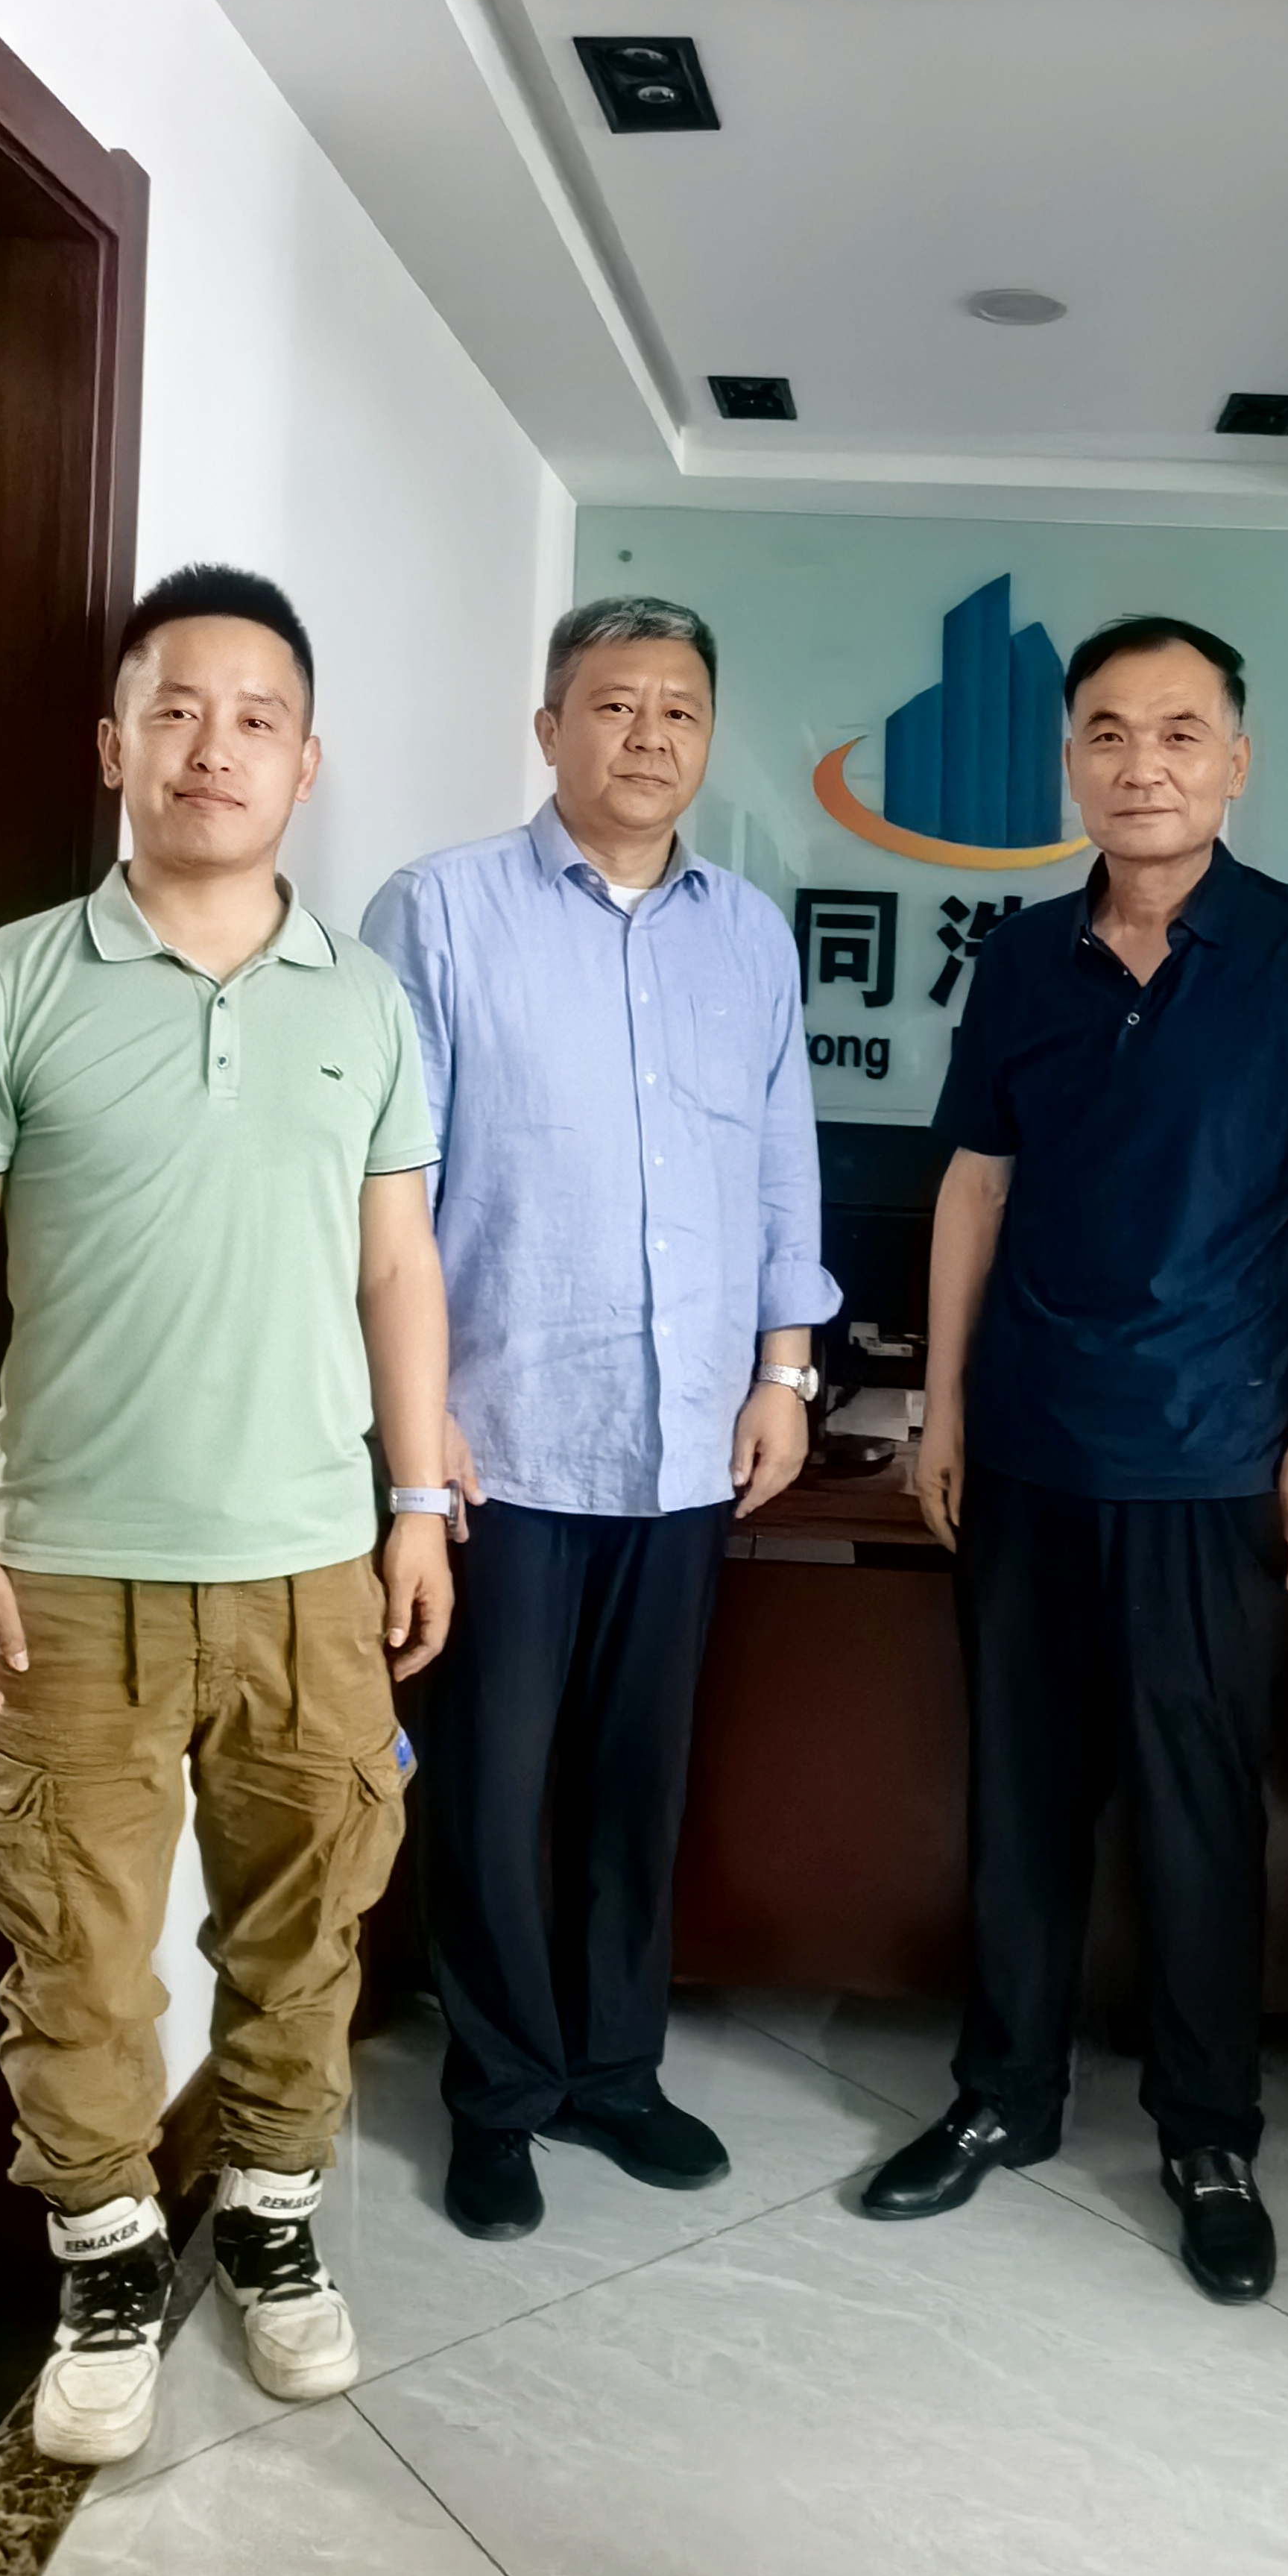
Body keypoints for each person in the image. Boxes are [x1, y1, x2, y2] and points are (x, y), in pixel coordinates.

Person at [0, 565, 453, 2467]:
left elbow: (399, 1268)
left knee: (309, 1926)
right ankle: (107, 2264)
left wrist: (417, 1502)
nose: (217, 746)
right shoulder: (7, 986)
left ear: (307, 760)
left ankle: (275, 2221)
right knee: (72, 1946)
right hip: (65, 1569)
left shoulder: (368, 1003)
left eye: (256, 716)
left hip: (310, 1568)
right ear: (113, 743)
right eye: (178, 709)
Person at [860, 615, 1288, 2303]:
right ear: (1068, 763)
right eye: (1107, 732)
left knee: (1196, 1810)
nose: (1141, 764)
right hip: (1031, 1445)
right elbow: (974, 1184)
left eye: (1178, 733)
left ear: (1236, 761)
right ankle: (1003, 2094)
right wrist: (945, 1405)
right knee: (1020, 1794)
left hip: (1215, 1453)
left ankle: (1208, 2130)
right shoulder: (1024, 957)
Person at [362, 592, 838, 2242]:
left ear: (710, 740)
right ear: (550, 725)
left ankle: (616, 2071)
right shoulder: (441, 910)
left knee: (642, 1777)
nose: (649, 735)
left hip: (686, 1437)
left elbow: (783, 1166)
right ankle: (498, 2092)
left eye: (679, 710)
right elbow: (386, 1182)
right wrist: (417, 1421)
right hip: (498, 1437)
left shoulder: (749, 935)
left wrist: (785, 1371)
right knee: (491, 1786)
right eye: (616, 703)